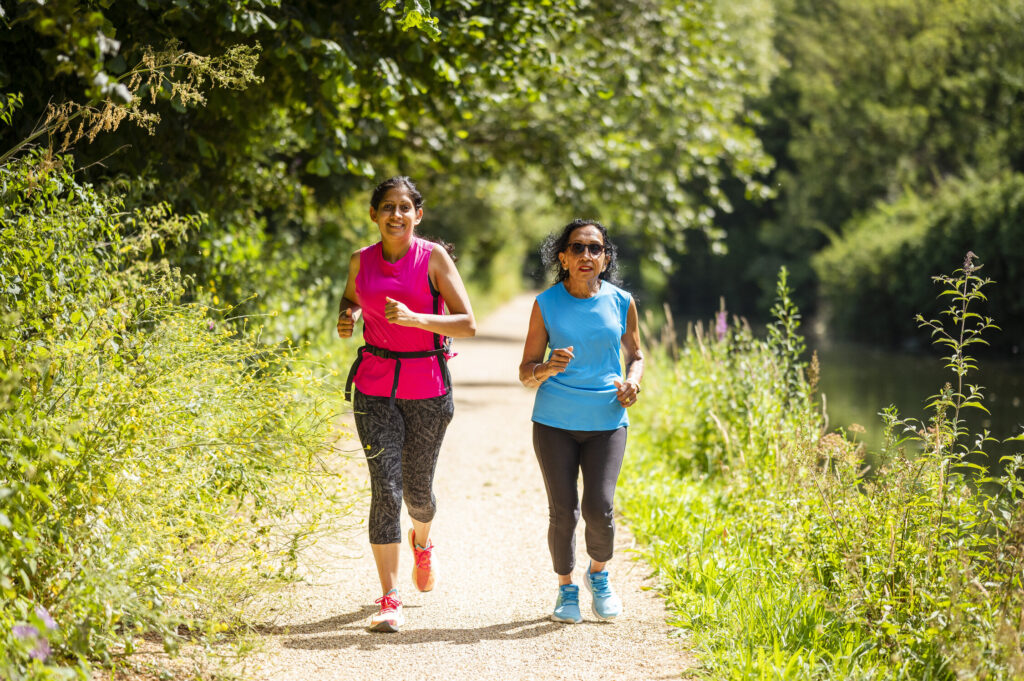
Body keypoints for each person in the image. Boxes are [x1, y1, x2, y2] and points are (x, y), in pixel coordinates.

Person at [337, 176, 476, 633]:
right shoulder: (361, 261)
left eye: (404, 207)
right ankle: (389, 597)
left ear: (418, 214)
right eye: (387, 207)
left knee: (418, 493)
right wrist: (349, 314)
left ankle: (423, 542)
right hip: (374, 387)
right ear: (374, 215)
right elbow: (352, 296)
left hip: (428, 389)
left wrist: (418, 319)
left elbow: (467, 323)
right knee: (386, 490)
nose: (395, 215)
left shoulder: (433, 258)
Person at [518, 218, 644, 624]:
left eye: (595, 248)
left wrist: (633, 382)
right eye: (577, 248)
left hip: (608, 419)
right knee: (564, 511)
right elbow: (524, 372)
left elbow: (636, 355)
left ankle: (599, 575)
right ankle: (565, 589)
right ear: (563, 257)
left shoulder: (622, 301)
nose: (586, 255)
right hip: (555, 421)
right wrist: (547, 368)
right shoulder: (547, 304)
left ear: (605, 258)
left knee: (600, 507)